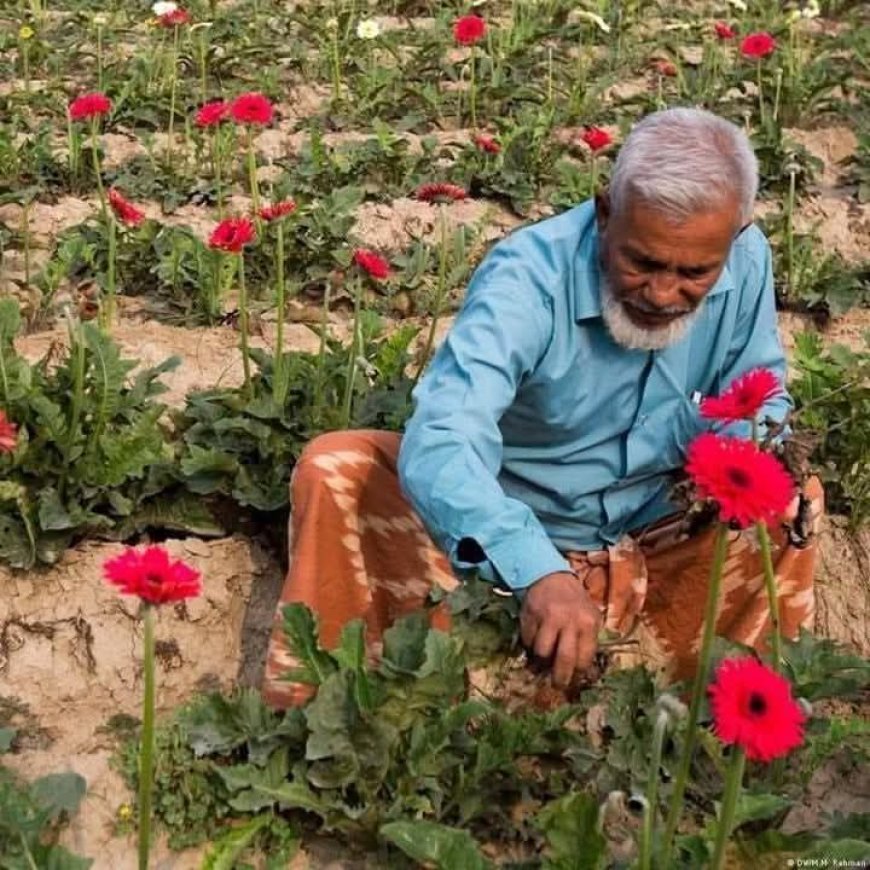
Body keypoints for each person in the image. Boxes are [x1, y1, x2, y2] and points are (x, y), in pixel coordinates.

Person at [261, 107, 822, 709]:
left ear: (733, 242)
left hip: (660, 533)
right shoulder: (528, 280)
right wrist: (535, 568)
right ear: (605, 213)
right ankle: (331, 719)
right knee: (337, 469)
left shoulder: (747, 259)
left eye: (694, 273)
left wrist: (747, 460)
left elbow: (759, 397)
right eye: (642, 262)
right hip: (503, 541)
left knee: (790, 498)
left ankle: (719, 725)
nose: (663, 294)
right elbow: (445, 436)